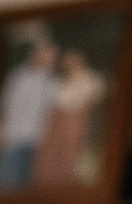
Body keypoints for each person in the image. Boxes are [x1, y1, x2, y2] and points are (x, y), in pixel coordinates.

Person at [0, 34, 58, 191]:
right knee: (8, 181)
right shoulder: (18, 77)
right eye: (47, 55)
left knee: (25, 184)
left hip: (37, 139)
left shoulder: (51, 82)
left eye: (52, 56)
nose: (50, 59)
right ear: (37, 54)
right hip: (14, 137)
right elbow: (6, 103)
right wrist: (2, 127)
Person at [33, 47, 105, 188]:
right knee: (49, 153)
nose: (69, 65)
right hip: (56, 119)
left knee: (70, 152)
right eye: (67, 63)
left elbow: (96, 96)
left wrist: (82, 106)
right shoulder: (59, 81)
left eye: (73, 62)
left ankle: (63, 184)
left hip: (75, 118)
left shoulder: (90, 78)